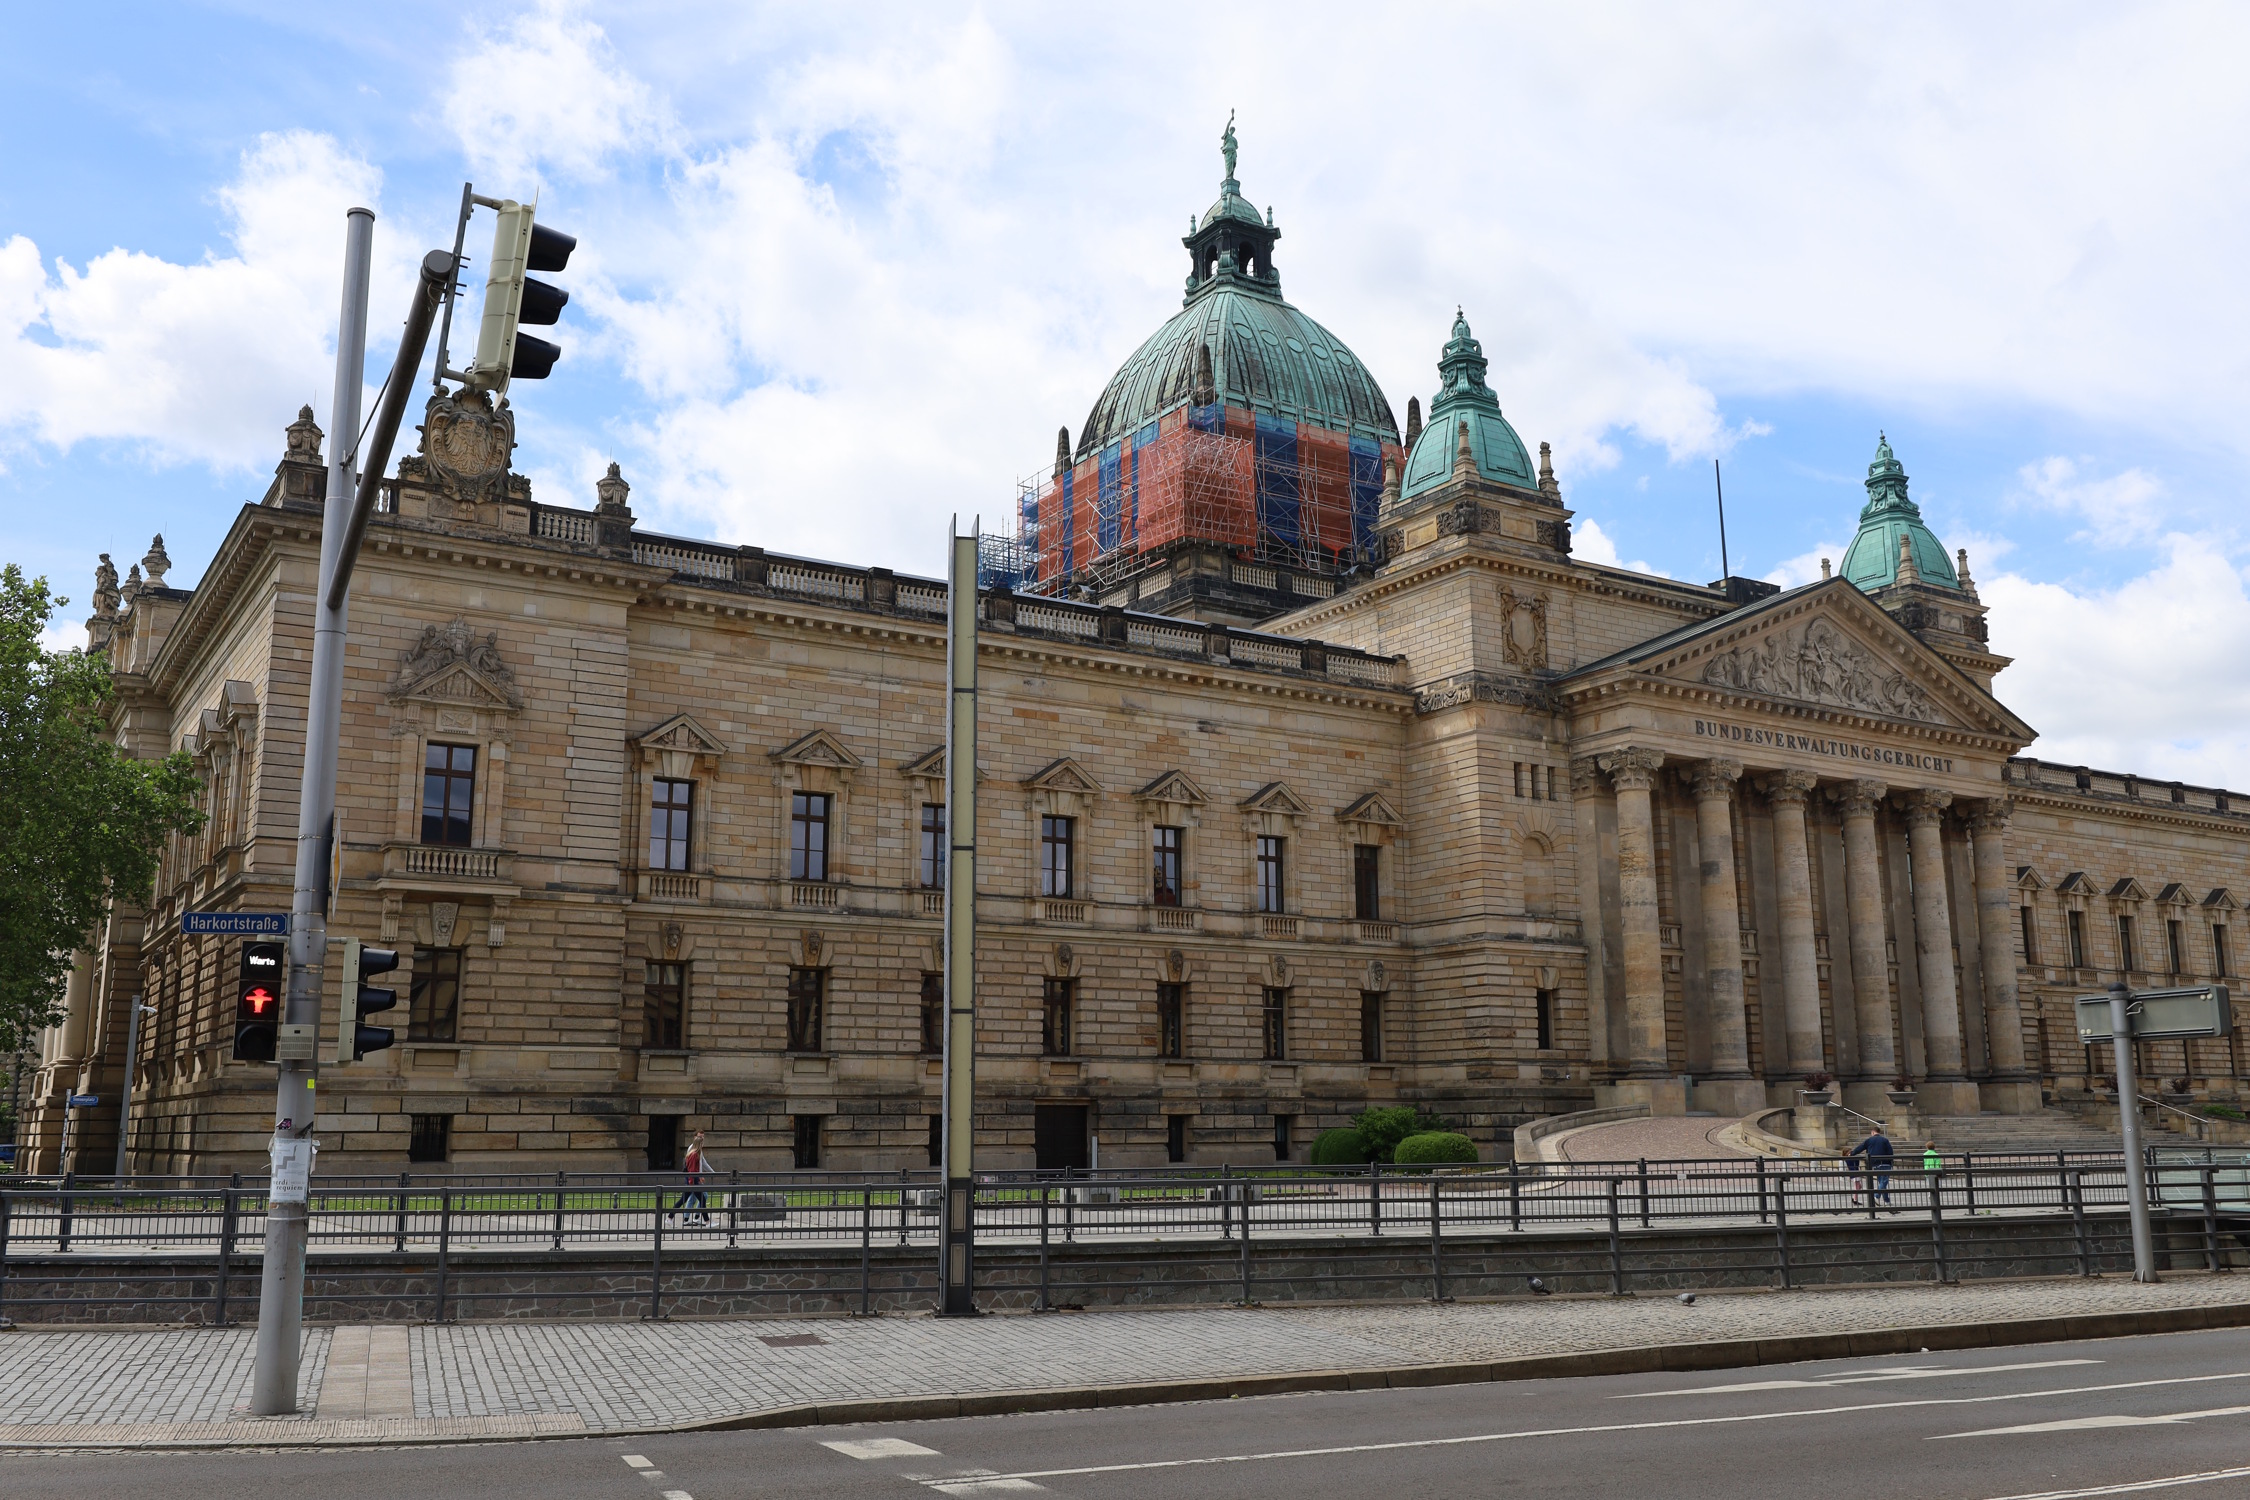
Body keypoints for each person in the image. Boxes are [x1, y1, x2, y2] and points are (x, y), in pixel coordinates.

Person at [1845, 1125, 1895, 1209]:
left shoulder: (1869, 1140)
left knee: (1882, 1182)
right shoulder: (1885, 1140)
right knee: (1884, 1181)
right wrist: (1891, 1161)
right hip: (1885, 1163)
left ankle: (1887, 1200)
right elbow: (1890, 1151)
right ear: (1879, 1132)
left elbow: (1860, 1148)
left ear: (1873, 1132)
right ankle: (1876, 1195)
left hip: (1874, 1163)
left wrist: (1852, 1153)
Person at [677, 1130, 711, 1227]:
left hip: (694, 1178)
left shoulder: (698, 1150)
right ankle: (692, 1218)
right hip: (693, 1178)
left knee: (693, 1198)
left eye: (703, 1137)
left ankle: (692, 1218)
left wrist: (712, 1173)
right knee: (696, 1198)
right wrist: (698, 1177)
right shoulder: (693, 1150)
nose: (701, 1138)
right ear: (695, 1137)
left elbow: (702, 1163)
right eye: (699, 1136)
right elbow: (692, 1167)